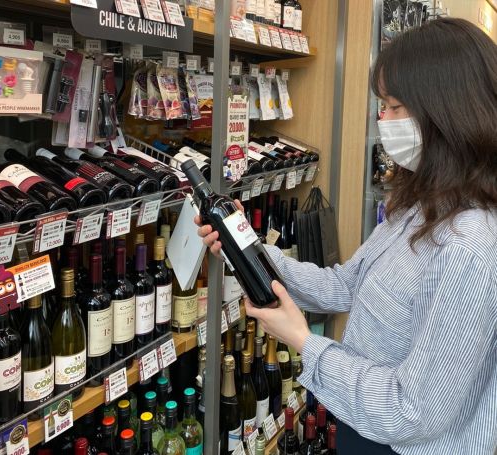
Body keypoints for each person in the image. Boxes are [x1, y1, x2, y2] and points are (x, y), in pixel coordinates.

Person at [196, 18, 497, 455]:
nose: (382, 119)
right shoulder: (423, 204)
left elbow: (412, 411)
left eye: (394, 106)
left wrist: (303, 341)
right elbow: (346, 285)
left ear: (447, 112)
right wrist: (247, 249)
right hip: (364, 422)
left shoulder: (469, 246)